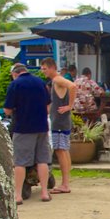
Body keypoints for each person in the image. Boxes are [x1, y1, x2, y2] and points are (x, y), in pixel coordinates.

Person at [4, 63, 52, 204]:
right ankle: (44, 192)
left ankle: (18, 195)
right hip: (42, 126)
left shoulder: (15, 84)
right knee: (42, 160)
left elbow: (7, 110)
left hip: (23, 127)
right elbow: (48, 104)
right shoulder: (40, 82)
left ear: (15, 74)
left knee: (20, 161)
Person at [41, 57, 77, 195]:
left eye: (44, 69)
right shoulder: (56, 80)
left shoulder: (57, 79)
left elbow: (73, 86)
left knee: (60, 150)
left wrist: (69, 106)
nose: (43, 72)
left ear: (51, 67)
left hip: (60, 121)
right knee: (63, 150)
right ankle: (65, 182)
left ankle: (65, 184)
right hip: (61, 119)